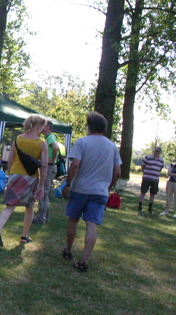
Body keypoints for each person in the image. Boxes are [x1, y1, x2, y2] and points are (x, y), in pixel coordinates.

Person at [61, 111, 121, 272]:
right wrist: (108, 187)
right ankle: (85, 259)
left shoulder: (82, 142)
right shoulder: (112, 146)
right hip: (100, 191)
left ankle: (68, 250)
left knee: (73, 219)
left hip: (80, 188)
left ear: (90, 127)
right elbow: (117, 172)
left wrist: (67, 184)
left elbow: (75, 165)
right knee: (92, 223)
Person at [0, 115, 47, 247]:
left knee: (9, 205)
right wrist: (41, 185)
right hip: (31, 177)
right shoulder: (42, 144)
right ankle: (24, 236)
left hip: (15, 175)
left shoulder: (18, 139)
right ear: (39, 127)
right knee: (29, 206)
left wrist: (11, 173)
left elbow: (10, 160)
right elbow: (44, 166)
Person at [33, 120, 59, 224]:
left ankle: (41, 218)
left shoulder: (50, 137)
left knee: (43, 192)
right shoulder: (49, 137)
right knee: (45, 193)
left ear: (48, 126)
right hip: (50, 167)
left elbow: (56, 147)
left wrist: (52, 159)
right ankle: (44, 217)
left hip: (50, 167)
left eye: (43, 125)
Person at [138, 147, 164, 213]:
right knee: (143, 192)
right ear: (153, 151)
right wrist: (145, 171)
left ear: (160, 153)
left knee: (153, 194)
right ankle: (140, 206)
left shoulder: (161, 160)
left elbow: (160, 169)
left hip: (155, 179)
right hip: (146, 178)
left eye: (158, 152)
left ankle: (150, 208)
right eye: (155, 151)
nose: (156, 153)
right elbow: (143, 165)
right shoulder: (148, 157)